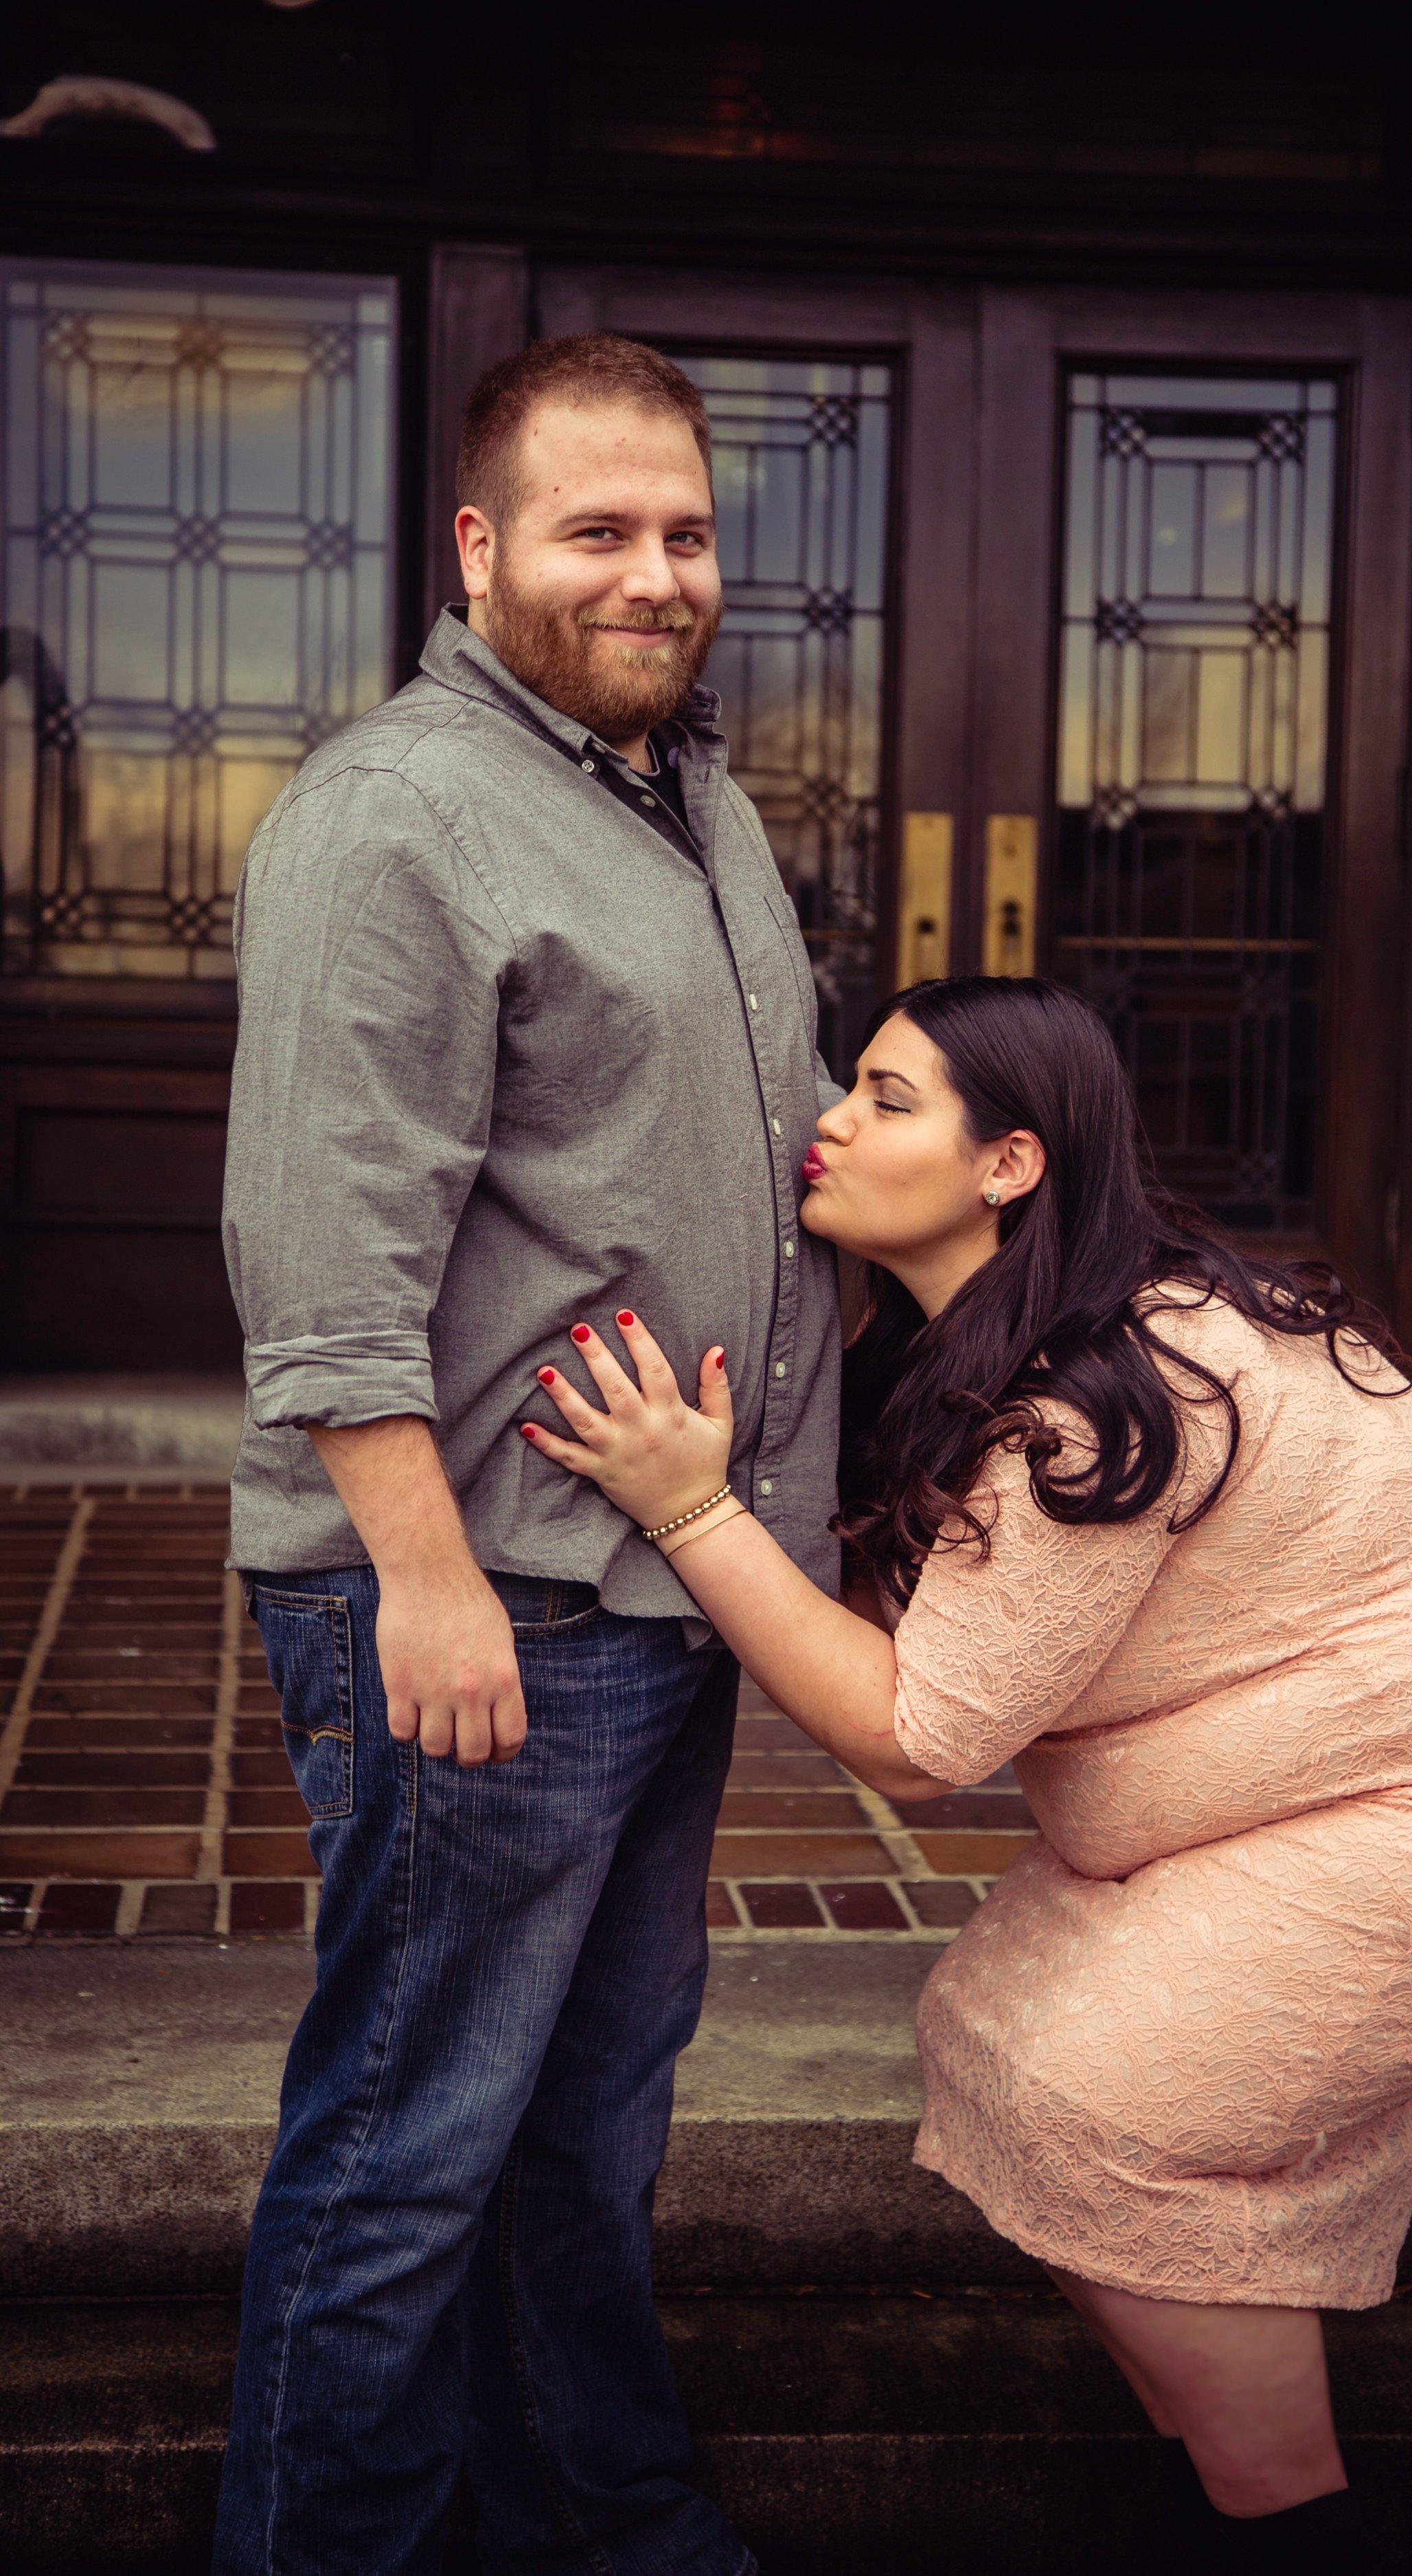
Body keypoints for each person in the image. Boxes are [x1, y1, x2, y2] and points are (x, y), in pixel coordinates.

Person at [525, 973, 1412, 2573]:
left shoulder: (1105, 1390)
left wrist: (690, 1509)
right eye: (845, 1085)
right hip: (1312, 1788)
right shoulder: (1011, 1330)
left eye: (885, 1098)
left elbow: (922, 1736)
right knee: (996, 2026)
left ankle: (1289, 2522)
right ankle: (1216, 2488)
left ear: (1007, 1166)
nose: (827, 1125)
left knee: (1103, 2098)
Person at [216, 336, 841, 2576]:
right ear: (480, 548)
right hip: (489, 1602)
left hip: (663, 1589)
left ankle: (607, 2523)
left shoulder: (695, 802)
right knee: (407, 2146)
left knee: (585, 2130)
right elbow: (320, 1251)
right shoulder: (395, 818)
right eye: (598, 529)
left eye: (683, 530)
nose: (656, 571)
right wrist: (420, 1571)